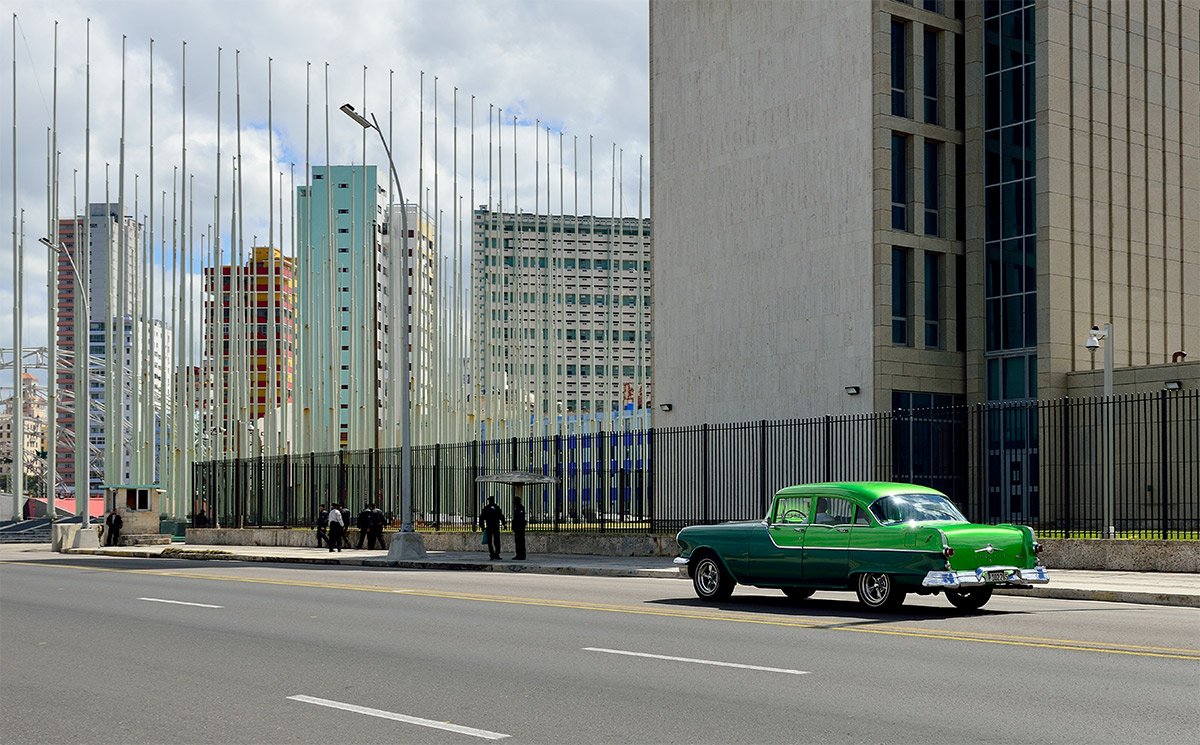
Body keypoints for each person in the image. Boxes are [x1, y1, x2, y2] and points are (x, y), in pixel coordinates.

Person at [478, 496, 506, 560]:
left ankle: (493, 554)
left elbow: (481, 518)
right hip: (495, 526)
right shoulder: (496, 507)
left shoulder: (487, 508)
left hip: (490, 526)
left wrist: (482, 526)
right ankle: (496, 554)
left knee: (491, 541)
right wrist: (504, 524)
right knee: (496, 541)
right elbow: (501, 516)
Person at [511, 496, 527, 560]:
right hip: (519, 528)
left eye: (515, 502)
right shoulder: (518, 508)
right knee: (520, 542)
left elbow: (519, 519)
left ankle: (520, 555)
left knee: (519, 542)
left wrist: (515, 526)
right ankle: (521, 554)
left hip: (519, 528)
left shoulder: (519, 508)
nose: (514, 503)